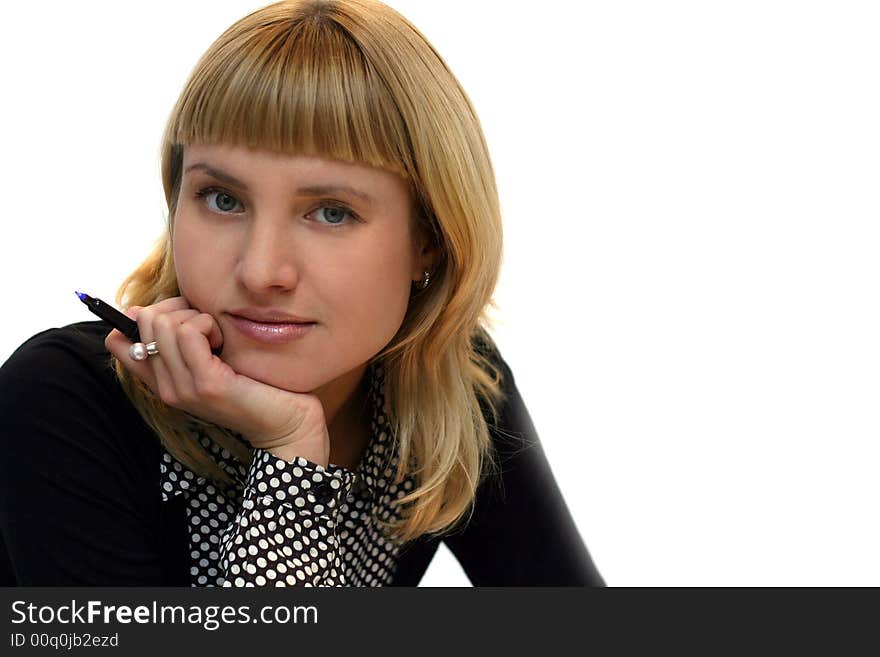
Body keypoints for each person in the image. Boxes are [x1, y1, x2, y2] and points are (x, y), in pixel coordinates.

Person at [0, 0, 604, 587]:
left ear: (431, 240)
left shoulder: (448, 385)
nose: (262, 271)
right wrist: (292, 455)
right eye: (223, 199)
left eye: (332, 212)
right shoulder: (65, 401)